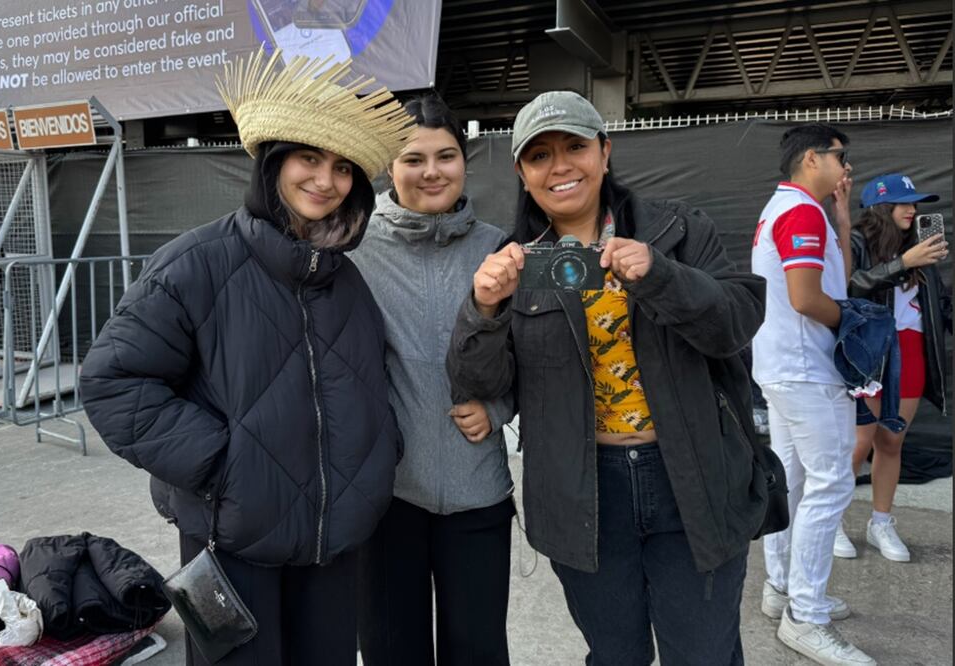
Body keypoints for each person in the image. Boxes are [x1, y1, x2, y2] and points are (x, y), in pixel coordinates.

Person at [79, 48, 411, 666]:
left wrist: (375, 461)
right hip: (229, 545)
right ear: (274, 163)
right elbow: (112, 382)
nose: (325, 180)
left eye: (342, 167)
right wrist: (224, 465)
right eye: (308, 158)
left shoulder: (348, 282)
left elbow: (370, 385)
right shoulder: (195, 264)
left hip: (331, 545)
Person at [447, 90, 766, 666]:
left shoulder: (676, 229)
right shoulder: (516, 260)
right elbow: (483, 382)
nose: (561, 165)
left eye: (575, 146)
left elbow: (736, 325)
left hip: (690, 479)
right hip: (583, 492)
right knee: (615, 654)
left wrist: (662, 274)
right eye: (539, 155)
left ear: (605, 151)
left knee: (702, 653)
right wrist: (484, 309)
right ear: (522, 172)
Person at [350, 95, 515, 666]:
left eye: (446, 155)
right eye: (412, 159)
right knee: (393, 649)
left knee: (479, 650)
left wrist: (497, 410)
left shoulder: (499, 248)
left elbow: (532, 359)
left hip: (478, 490)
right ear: (388, 168)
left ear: (465, 161)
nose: (431, 171)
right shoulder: (354, 247)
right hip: (387, 495)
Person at [751, 124, 876, 666]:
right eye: (840, 157)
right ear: (811, 158)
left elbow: (833, 282)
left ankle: (783, 589)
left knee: (794, 481)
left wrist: (844, 220)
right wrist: (854, 323)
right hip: (806, 369)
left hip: (784, 367)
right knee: (829, 485)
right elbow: (809, 299)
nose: (846, 168)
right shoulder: (800, 212)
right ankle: (805, 615)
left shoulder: (791, 210)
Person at [843, 173, 950, 563]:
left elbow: (942, 305)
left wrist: (918, 260)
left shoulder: (922, 249)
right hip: (871, 349)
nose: (912, 210)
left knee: (891, 442)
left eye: (915, 203)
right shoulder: (856, 242)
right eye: (904, 203)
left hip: (912, 352)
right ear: (880, 208)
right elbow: (849, 287)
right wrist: (904, 263)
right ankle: (832, 519)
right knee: (857, 443)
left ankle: (881, 522)